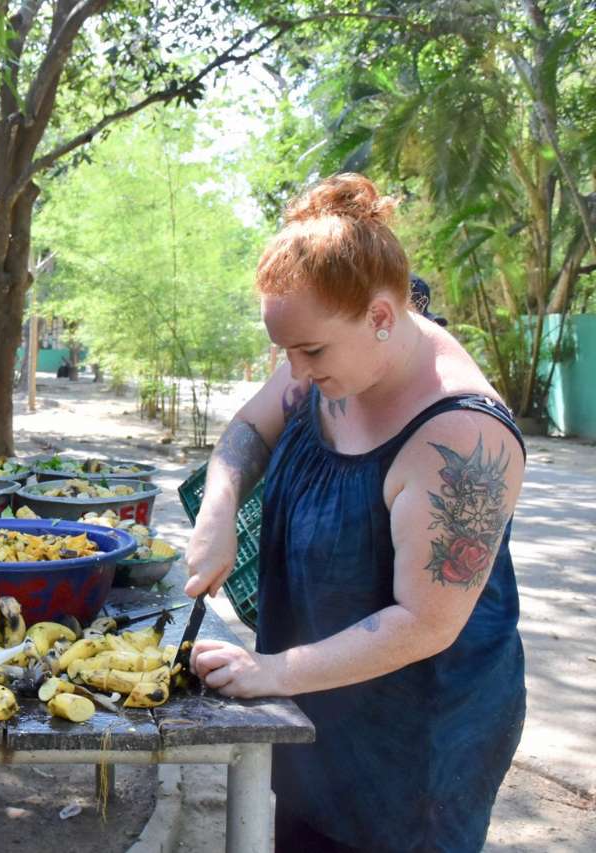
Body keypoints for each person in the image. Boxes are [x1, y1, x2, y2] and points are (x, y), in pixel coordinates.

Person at [184, 173, 526, 852]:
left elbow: (425, 621)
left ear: (380, 317)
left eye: (310, 352)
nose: (296, 373)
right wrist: (219, 507)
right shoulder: (326, 344)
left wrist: (274, 672)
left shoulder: (462, 436)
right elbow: (249, 430)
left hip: (416, 748)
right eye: (287, 352)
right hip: (317, 699)